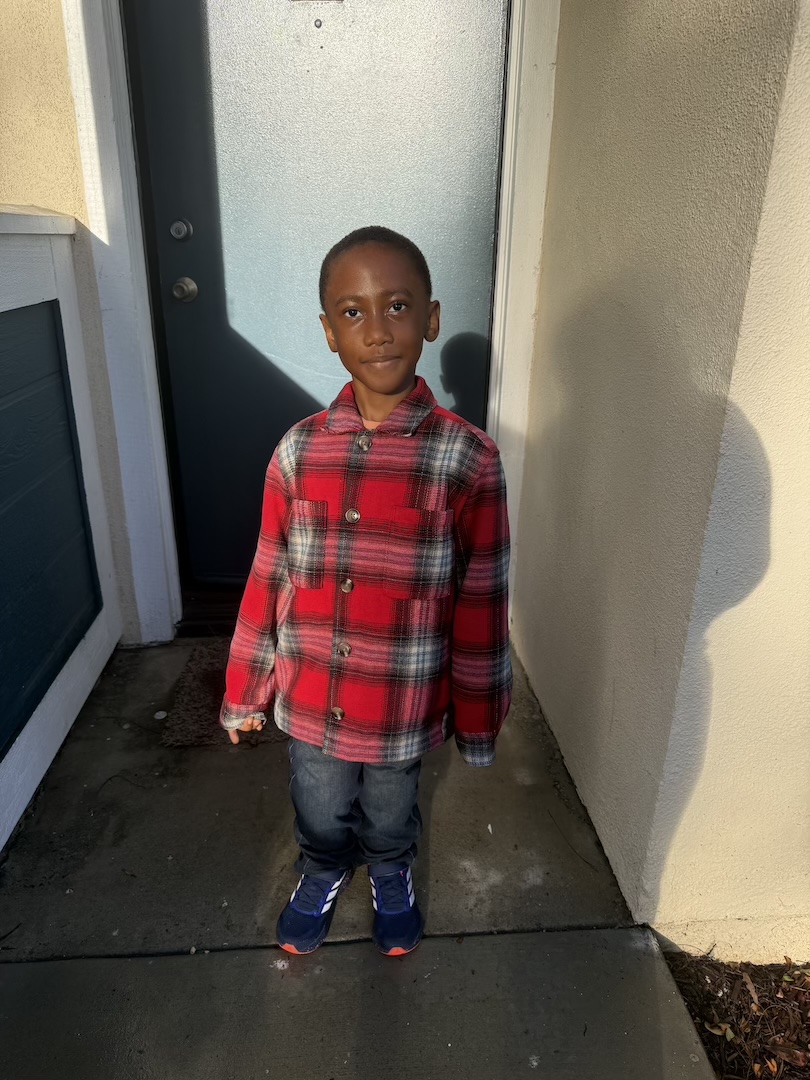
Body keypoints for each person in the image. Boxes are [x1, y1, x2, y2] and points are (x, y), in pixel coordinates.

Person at [220, 226, 511, 957]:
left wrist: (477, 718)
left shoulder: (468, 459)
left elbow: (481, 599)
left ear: (431, 319)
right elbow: (269, 575)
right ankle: (321, 870)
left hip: (399, 709)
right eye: (352, 312)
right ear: (327, 331)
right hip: (313, 699)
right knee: (318, 805)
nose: (377, 331)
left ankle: (390, 871)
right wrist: (245, 690)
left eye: (398, 306)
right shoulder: (296, 452)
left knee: (389, 808)